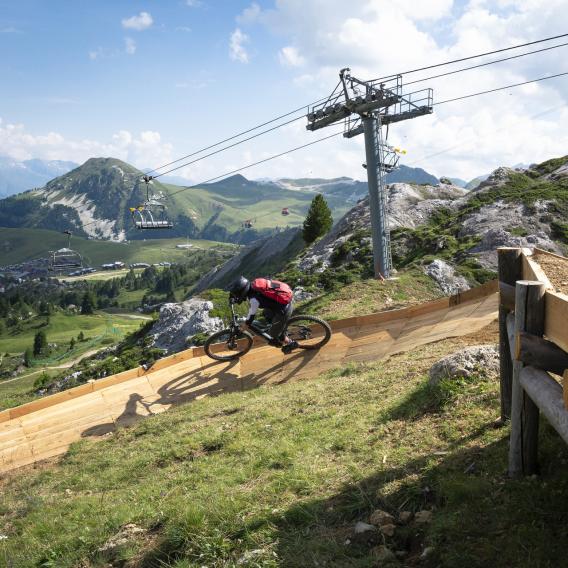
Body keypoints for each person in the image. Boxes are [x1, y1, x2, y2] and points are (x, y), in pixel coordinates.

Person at [227, 275, 299, 354]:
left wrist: (245, 326)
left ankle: (291, 343)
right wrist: (231, 297)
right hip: (278, 303)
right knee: (266, 314)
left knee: (273, 333)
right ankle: (279, 329)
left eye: (237, 294)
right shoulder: (254, 284)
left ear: (242, 292)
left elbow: (250, 317)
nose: (236, 296)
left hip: (284, 309)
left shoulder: (254, 300)